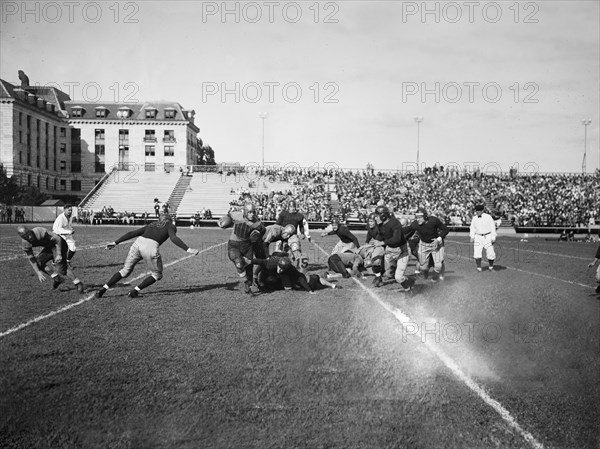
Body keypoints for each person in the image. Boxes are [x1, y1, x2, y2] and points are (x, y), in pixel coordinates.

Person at [95, 213, 199, 298]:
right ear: (169, 220)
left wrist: (115, 242)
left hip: (137, 244)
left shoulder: (151, 224)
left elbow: (133, 233)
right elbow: (173, 238)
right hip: (150, 247)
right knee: (157, 275)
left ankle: (103, 289)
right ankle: (135, 291)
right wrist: (188, 249)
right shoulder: (170, 226)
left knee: (125, 271)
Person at [17, 225, 85, 292]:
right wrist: (38, 272)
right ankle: (57, 278)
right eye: (25, 236)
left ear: (30, 231)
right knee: (39, 262)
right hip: (50, 246)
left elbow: (57, 239)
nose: (29, 237)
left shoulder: (40, 232)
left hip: (59, 244)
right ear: (22, 237)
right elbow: (31, 259)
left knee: (61, 269)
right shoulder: (25, 244)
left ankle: (78, 283)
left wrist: (59, 254)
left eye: (29, 234)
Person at [219, 203, 266, 295]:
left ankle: (248, 286)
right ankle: (246, 281)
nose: (252, 214)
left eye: (253, 212)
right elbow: (229, 215)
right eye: (249, 212)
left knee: (249, 267)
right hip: (234, 244)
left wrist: (257, 237)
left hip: (247, 245)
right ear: (245, 212)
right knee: (239, 263)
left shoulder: (256, 223)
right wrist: (224, 220)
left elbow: (262, 230)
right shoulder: (237, 215)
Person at [371, 205, 412, 292]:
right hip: (390, 251)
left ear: (383, 216)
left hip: (402, 251)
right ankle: (381, 277)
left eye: (377, 216)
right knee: (388, 274)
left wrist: (382, 242)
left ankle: (409, 289)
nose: (375, 217)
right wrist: (376, 241)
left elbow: (397, 239)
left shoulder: (395, 223)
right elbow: (381, 233)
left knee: (398, 277)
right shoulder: (380, 224)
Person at [405, 208, 449, 281]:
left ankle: (434, 280)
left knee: (438, 266)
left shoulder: (433, 221)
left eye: (419, 217)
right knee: (423, 267)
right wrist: (396, 230)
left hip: (436, 244)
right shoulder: (415, 224)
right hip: (424, 245)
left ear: (425, 217)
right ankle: (425, 273)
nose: (417, 219)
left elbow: (445, 229)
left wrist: (439, 239)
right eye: (416, 217)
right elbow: (408, 229)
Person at [469, 204, 497, 272]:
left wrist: (493, 237)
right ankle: (479, 268)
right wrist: (472, 236)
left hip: (487, 236)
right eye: (476, 211)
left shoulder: (488, 217)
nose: (477, 212)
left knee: (490, 252)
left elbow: (493, 227)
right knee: (477, 252)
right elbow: (472, 228)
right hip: (478, 237)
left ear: (482, 210)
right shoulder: (474, 218)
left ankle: (491, 267)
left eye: (479, 210)